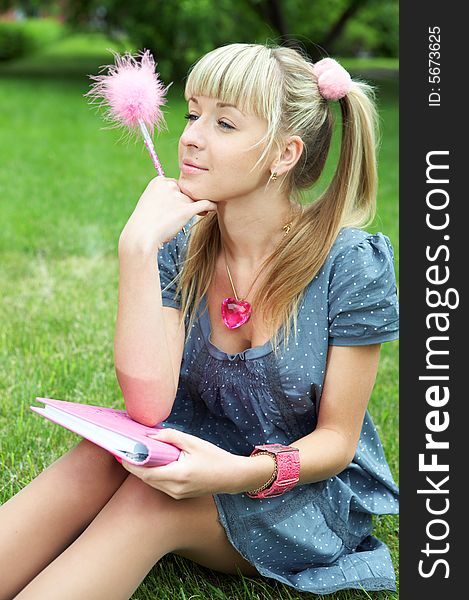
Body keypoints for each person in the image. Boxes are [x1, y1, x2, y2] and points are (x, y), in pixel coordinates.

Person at [0, 43, 399, 599]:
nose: (190, 136)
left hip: (296, 488)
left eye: (225, 123)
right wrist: (137, 248)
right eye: (192, 113)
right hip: (196, 449)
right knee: (101, 456)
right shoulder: (181, 245)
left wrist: (236, 474)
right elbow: (148, 409)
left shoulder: (350, 264)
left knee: (148, 500)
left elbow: (335, 441)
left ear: (284, 155)